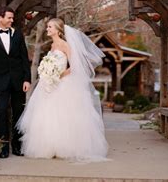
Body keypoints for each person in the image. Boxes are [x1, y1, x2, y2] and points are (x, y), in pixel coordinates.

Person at [17, 18, 109, 161]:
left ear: (58, 30)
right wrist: (47, 74)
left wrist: (59, 75)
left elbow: (76, 66)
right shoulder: (52, 45)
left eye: (50, 27)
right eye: (47, 27)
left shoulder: (65, 45)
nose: (47, 29)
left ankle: (64, 148)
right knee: (47, 116)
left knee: (63, 116)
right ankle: (49, 147)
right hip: (48, 85)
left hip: (63, 84)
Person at [0, 6, 31, 158]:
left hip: (18, 81)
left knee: (18, 113)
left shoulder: (18, 35)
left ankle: (17, 146)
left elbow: (25, 58)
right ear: (0, 18)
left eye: (12, 17)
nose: (12, 20)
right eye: (9, 17)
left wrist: (27, 79)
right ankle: (3, 148)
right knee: (2, 113)